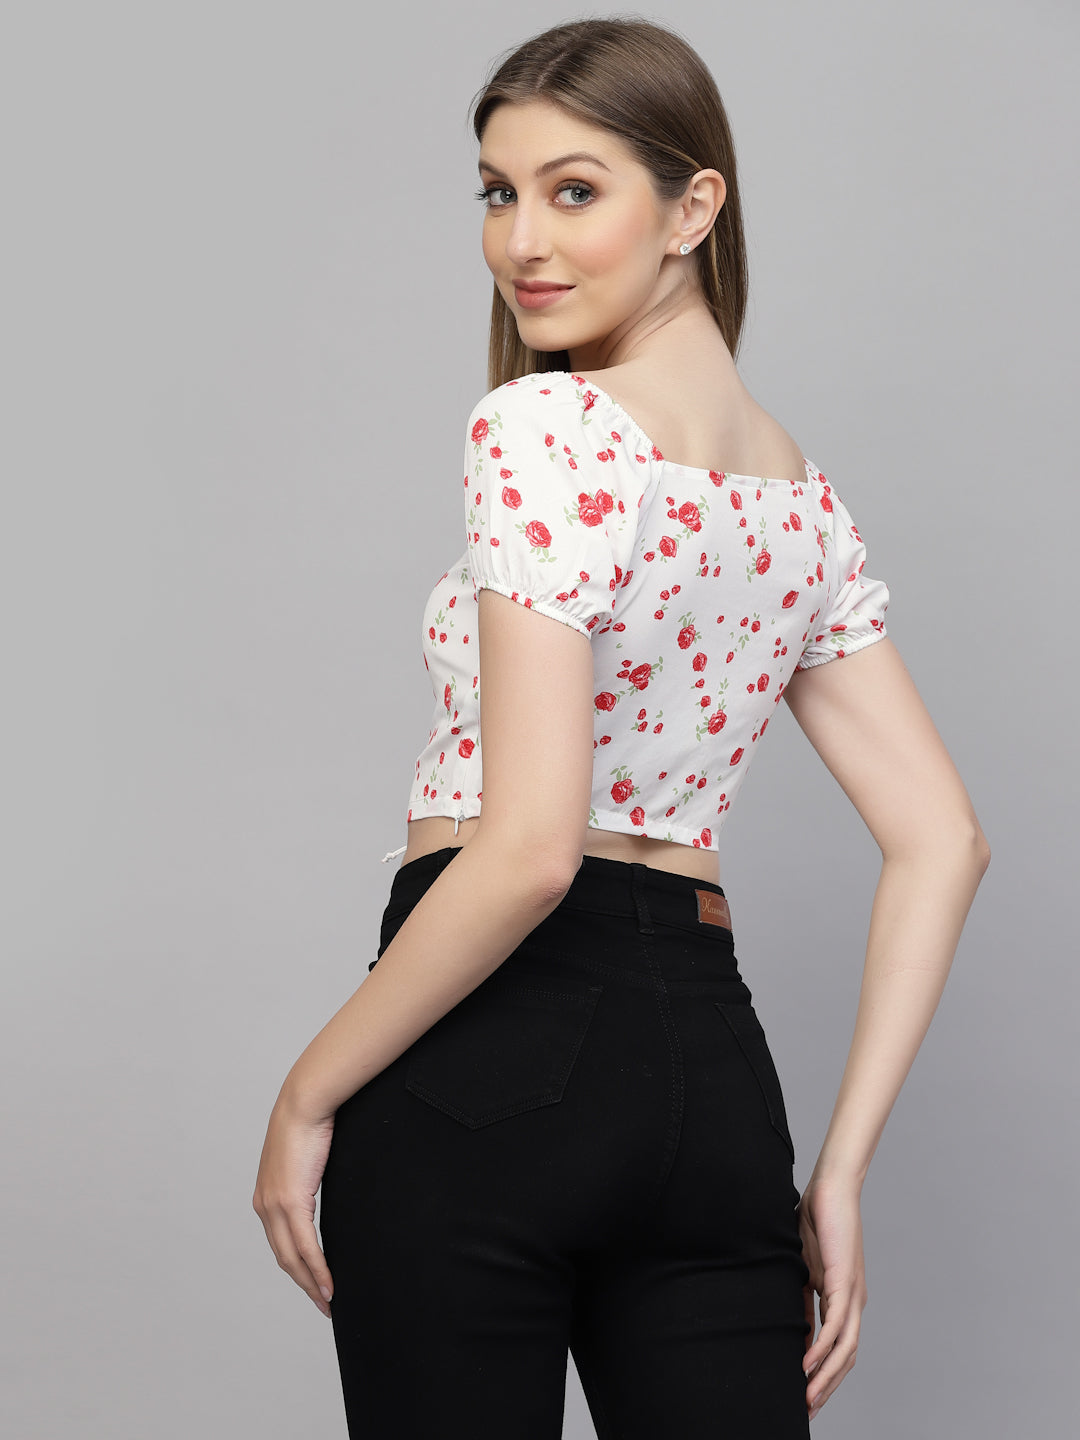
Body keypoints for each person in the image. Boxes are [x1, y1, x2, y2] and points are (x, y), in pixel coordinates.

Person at [253, 17, 990, 1438]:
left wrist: (306, 1093)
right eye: (498, 191)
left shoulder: (545, 430)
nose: (521, 239)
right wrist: (837, 1173)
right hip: (710, 1078)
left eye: (573, 190)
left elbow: (531, 853)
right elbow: (942, 840)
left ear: (693, 207)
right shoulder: (801, 503)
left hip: (491, 1049)